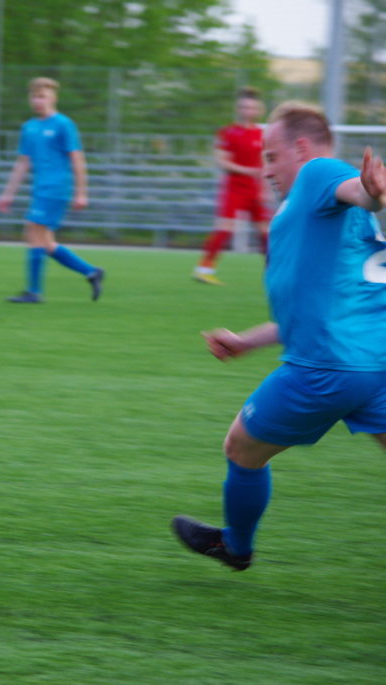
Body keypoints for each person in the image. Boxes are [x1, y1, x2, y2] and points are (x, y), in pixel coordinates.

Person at [172, 102, 386, 571]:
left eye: (271, 157)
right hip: (377, 363)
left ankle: (236, 546)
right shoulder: (325, 216)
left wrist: (371, 192)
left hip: (325, 369)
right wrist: (246, 341)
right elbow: (312, 311)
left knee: (241, 447)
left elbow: (355, 188)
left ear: (302, 148)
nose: (265, 170)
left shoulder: (316, 173)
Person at [0, 77, 104, 303]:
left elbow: (77, 159)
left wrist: (81, 192)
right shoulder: (29, 127)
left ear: (53, 98)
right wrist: (8, 193)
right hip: (40, 189)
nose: (38, 101)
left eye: (43, 96)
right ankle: (91, 272)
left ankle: (34, 292)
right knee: (42, 240)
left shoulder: (63, 124)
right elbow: (22, 164)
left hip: (56, 188)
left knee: (34, 232)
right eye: (34, 96)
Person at [193, 87, 270, 285]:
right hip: (234, 187)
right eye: (244, 107)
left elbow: (264, 164)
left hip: (255, 189)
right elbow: (221, 161)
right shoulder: (228, 132)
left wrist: (265, 188)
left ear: (259, 110)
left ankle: (273, 272)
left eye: (251, 107)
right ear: (238, 109)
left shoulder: (262, 134)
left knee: (265, 232)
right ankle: (204, 269)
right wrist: (247, 171)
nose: (248, 111)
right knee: (225, 228)